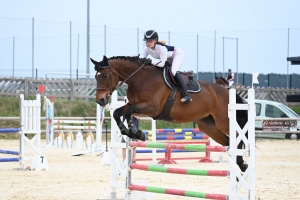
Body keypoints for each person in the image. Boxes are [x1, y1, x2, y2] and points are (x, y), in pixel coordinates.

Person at [140, 30, 192, 104]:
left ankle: (186, 95)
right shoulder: (147, 48)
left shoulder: (161, 48)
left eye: (150, 41)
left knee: (174, 71)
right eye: (146, 41)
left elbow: (162, 64)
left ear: (155, 40)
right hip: (167, 59)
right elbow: (141, 59)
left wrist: (150, 62)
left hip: (177, 55)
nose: (148, 43)